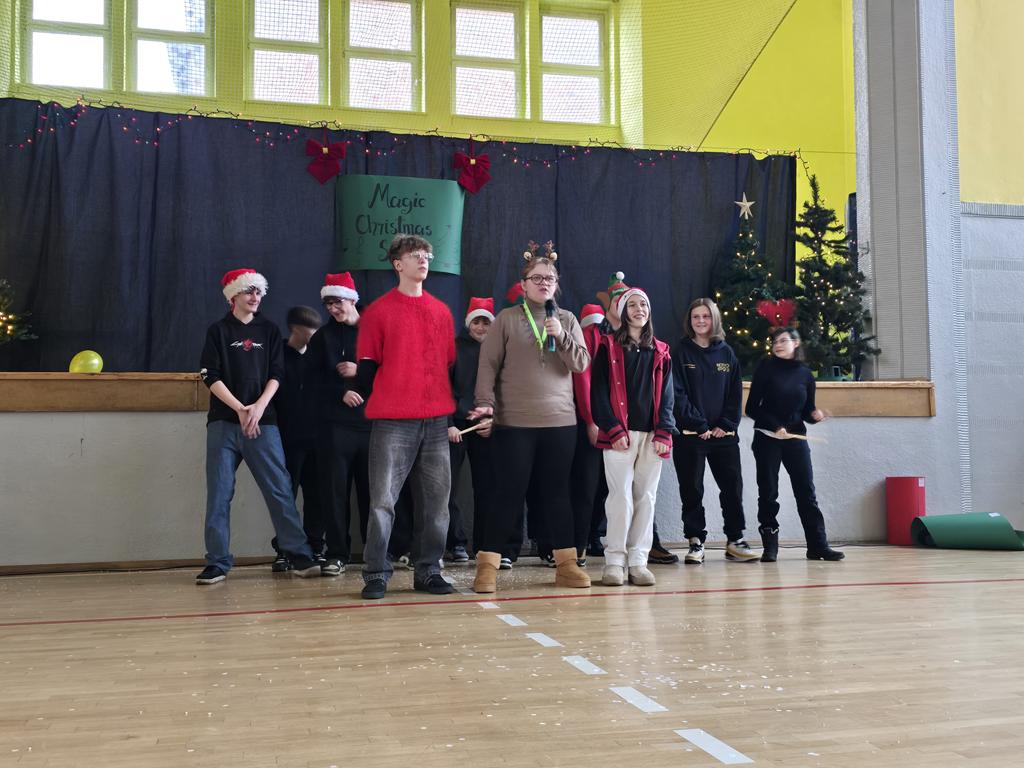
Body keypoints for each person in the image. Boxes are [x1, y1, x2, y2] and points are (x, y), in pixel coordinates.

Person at [469, 241, 591, 593]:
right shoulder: (506, 319)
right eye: (536, 278)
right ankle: (488, 567)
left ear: (556, 284)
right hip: (515, 424)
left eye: (549, 278)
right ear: (523, 284)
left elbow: (581, 363)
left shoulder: (566, 319)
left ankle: (566, 565)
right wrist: (485, 404)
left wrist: (562, 336)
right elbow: (487, 365)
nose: (543, 283)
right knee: (507, 493)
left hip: (560, 423)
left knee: (557, 494)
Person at [196, 268, 321, 584]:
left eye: (259, 291)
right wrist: (240, 409)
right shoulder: (218, 331)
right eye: (248, 291)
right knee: (219, 493)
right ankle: (218, 561)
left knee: (279, 489)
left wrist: (258, 408)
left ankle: (298, 553)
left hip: (263, 424)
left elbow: (277, 374)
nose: (255, 297)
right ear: (233, 295)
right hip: (224, 424)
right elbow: (210, 375)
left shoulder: (269, 330)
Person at [350, 235, 457, 599]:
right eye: (415, 255)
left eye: (427, 254)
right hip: (393, 419)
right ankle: (376, 573)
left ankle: (428, 570)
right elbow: (367, 367)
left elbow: (447, 363)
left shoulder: (441, 312)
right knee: (383, 501)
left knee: (437, 504)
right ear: (398, 264)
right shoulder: (378, 312)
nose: (423, 259)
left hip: (436, 420)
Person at [591, 285, 676, 586]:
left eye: (644, 305)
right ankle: (615, 561)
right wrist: (613, 428)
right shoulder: (608, 347)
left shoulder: (661, 351)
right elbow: (598, 394)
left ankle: (639, 561)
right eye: (633, 305)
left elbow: (668, 396)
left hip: (653, 437)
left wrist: (664, 431)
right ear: (623, 312)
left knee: (646, 498)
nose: (639, 309)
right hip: (620, 436)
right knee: (620, 498)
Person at [672, 297, 760, 564]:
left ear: (714, 319)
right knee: (692, 490)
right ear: (690, 321)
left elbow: (735, 393)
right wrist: (698, 425)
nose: (701, 321)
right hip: (691, 436)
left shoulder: (726, 353)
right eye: (696, 317)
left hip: (724, 437)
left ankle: (735, 541)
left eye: (706, 316)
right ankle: (695, 542)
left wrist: (726, 425)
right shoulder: (681, 352)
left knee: (732, 489)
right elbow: (677, 394)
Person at [745, 327, 844, 561]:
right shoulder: (765, 368)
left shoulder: (805, 374)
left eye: (783, 340)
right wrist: (775, 426)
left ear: (796, 343)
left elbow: (807, 410)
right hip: (767, 438)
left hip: (796, 439)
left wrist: (815, 416)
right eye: (774, 341)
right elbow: (751, 408)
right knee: (768, 492)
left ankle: (818, 545)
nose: (777, 345)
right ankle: (770, 547)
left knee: (806, 492)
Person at [306, 273, 370, 577]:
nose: (333, 309)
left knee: (373, 494)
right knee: (334, 493)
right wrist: (339, 392)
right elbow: (310, 381)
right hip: (334, 428)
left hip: (371, 426)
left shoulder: (375, 331)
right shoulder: (322, 338)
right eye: (328, 304)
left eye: (338, 302)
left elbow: (393, 371)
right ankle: (337, 553)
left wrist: (360, 371)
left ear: (352, 299)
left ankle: (376, 552)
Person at [270, 305, 325, 572]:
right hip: (286, 439)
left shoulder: (318, 358)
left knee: (317, 495)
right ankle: (286, 549)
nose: (314, 335)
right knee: (285, 495)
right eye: (309, 330)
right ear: (296, 329)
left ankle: (315, 546)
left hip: (316, 439)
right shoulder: (277, 356)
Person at [447, 297, 497, 560]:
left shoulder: (498, 350)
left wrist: (495, 419)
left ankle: (484, 546)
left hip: (485, 426)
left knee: (487, 487)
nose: (480, 327)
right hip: (455, 426)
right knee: (448, 487)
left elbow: (506, 389)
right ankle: (455, 542)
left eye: (485, 323)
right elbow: (442, 388)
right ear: (468, 324)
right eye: (476, 322)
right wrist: (447, 424)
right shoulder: (454, 348)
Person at [570, 302, 610, 564]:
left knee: (601, 486)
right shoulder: (587, 339)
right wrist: (591, 421)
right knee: (587, 485)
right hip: (589, 424)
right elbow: (583, 382)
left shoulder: (609, 340)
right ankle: (580, 542)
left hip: (607, 424)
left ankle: (591, 537)